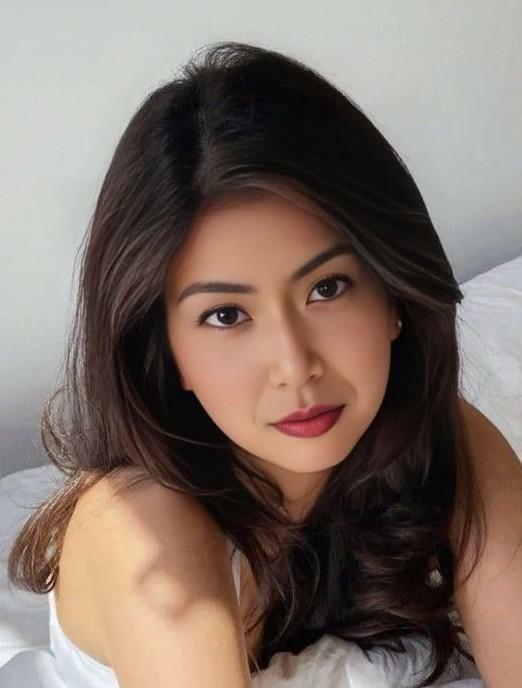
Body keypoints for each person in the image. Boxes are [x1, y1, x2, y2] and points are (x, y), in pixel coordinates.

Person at [5, 41, 522, 688]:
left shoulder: (437, 439)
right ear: (167, 351)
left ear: (395, 297)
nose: (294, 366)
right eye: (226, 315)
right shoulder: (144, 532)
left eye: (327, 288)